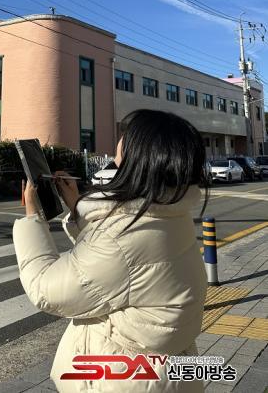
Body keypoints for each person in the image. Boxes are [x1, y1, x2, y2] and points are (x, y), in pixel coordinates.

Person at [13, 109, 209, 391]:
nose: (117, 149)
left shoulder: (122, 235)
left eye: (123, 144)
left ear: (137, 160)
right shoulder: (170, 212)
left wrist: (32, 217)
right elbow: (119, 261)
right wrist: (77, 206)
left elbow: (46, 289)